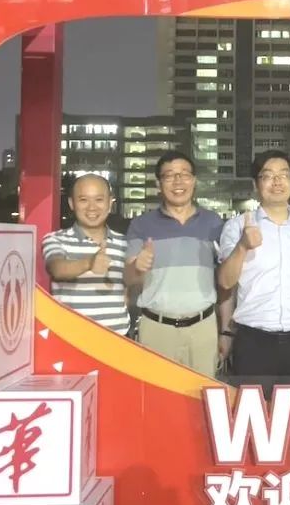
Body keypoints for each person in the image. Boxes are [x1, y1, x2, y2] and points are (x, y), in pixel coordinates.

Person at [217, 150, 290, 382]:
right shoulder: (237, 226)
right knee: (252, 405)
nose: (277, 182)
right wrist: (242, 246)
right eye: (268, 176)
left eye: (283, 175)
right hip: (254, 343)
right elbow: (225, 282)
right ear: (256, 185)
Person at [123, 151, 228, 377]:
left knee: (202, 393)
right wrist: (138, 267)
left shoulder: (213, 223)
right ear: (158, 184)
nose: (178, 181)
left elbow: (225, 282)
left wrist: (226, 331)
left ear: (194, 181)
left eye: (184, 174)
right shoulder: (141, 225)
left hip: (203, 328)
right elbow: (130, 279)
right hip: (156, 329)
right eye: (169, 175)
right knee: (157, 394)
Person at [41, 173, 130, 335]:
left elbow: (127, 289)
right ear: (71, 203)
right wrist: (89, 263)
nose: (92, 207)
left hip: (119, 340)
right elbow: (56, 268)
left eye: (99, 199)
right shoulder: (55, 239)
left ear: (110, 203)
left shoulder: (125, 243)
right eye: (83, 200)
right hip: (71, 340)